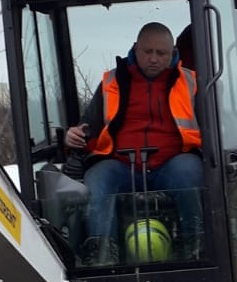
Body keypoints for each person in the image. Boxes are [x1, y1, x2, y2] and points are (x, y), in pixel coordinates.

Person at [65, 22, 203, 263]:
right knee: (97, 178)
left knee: (190, 171)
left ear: (172, 53)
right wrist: (74, 135)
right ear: (135, 49)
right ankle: (102, 251)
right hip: (121, 166)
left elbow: (212, 128)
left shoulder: (190, 82)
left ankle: (194, 244)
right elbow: (89, 126)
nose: (153, 59)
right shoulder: (112, 82)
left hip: (170, 164)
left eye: (161, 53)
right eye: (147, 52)